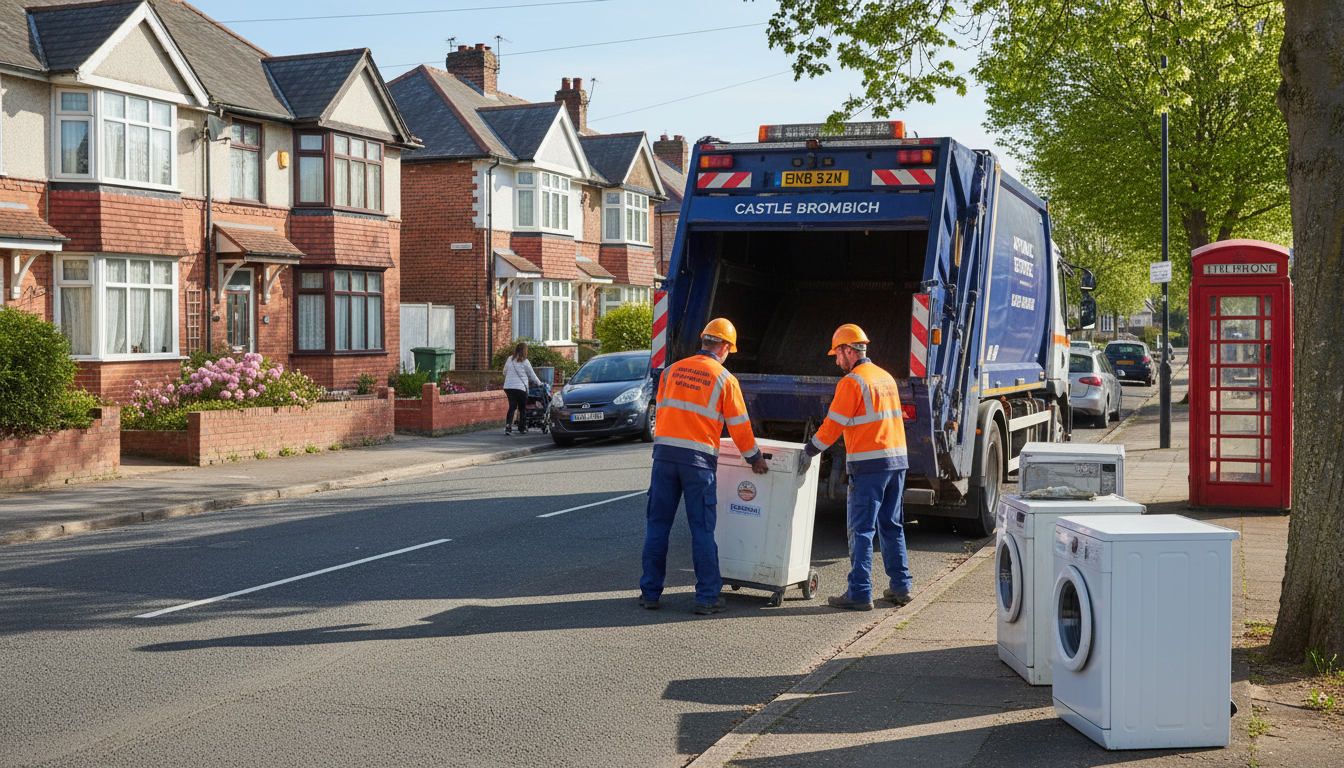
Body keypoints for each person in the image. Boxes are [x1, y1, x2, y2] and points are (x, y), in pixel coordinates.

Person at [640, 318, 770, 615]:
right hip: (697, 463)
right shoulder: (724, 379)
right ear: (724, 346)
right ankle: (707, 597)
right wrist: (754, 458)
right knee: (701, 529)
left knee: (657, 526)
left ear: (704, 341)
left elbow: (662, 411)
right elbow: (739, 426)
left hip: (663, 458)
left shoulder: (671, 371)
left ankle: (650, 593)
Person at [798, 324, 912, 611]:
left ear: (848, 351)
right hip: (897, 461)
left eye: (837, 354)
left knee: (860, 529)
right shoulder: (885, 377)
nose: (837, 361)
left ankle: (860, 591)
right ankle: (901, 587)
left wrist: (810, 450)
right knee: (891, 524)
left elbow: (833, 425)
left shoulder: (852, 382)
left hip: (869, 464)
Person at [502, 342, 544, 436]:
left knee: (512, 406)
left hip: (508, 387)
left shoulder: (510, 359)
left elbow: (504, 372)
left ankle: (508, 426)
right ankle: (522, 428)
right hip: (520, 388)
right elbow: (532, 376)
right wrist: (540, 384)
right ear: (525, 351)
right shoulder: (525, 362)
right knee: (522, 408)